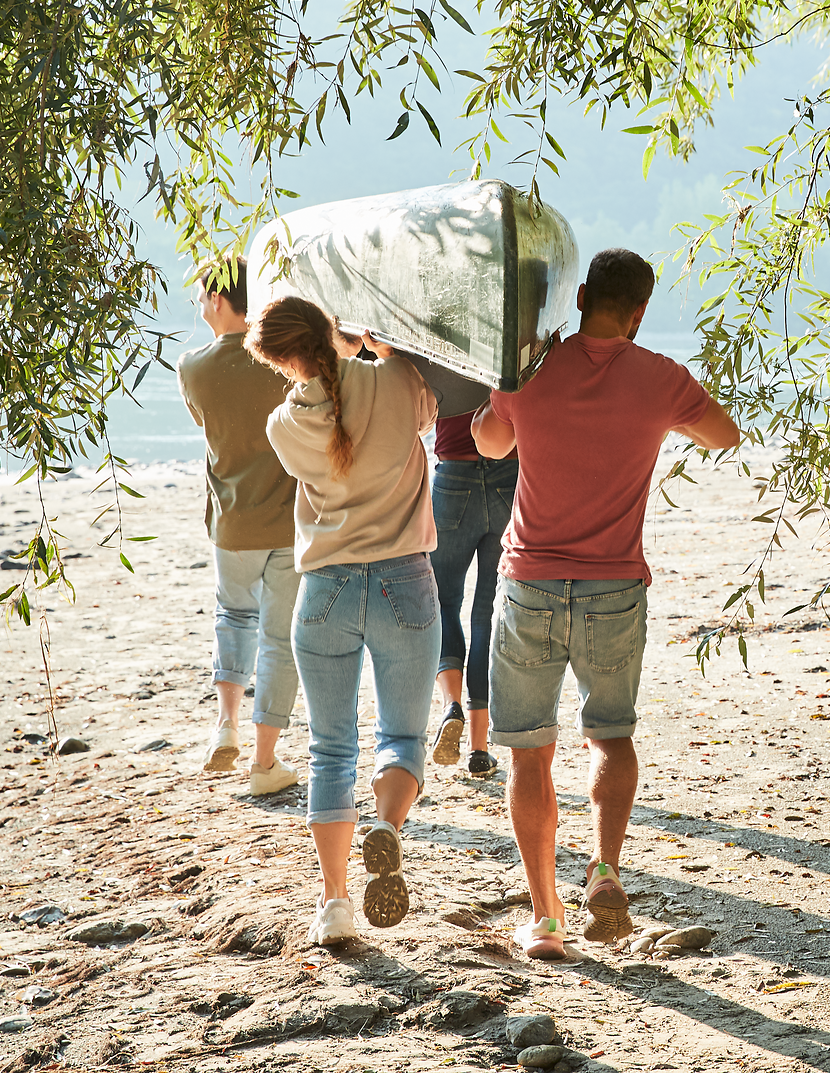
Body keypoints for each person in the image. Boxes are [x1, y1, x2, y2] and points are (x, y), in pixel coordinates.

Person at [471, 249, 740, 960]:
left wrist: (503, 386)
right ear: (640, 311)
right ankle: (607, 868)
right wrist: (667, 415)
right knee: (611, 737)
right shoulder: (661, 377)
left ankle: (546, 918)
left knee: (529, 754)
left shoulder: (531, 370)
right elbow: (725, 434)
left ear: (582, 295)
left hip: (529, 584)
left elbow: (489, 445)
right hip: (614, 590)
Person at [248, 296, 440, 946]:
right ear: (331, 328)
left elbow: (329, 408)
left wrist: (344, 357)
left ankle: (334, 903)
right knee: (402, 737)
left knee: (331, 750)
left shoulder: (282, 425)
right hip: (404, 582)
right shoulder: (398, 380)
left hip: (325, 590)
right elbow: (428, 409)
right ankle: (386, 825)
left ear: (280, 361)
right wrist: (378, 349)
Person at [176, 256, 301, 796]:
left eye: (202, 296)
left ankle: (225, 724)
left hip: (230, 522)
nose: (199, 305)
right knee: (279, 638)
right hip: (289, 523)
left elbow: (210, 427)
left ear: (220, 300)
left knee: (232, 616)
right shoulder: (284, 363)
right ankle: (264, 760)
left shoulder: (192, 368)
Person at [426, 411, 516, 777]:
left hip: (453, 476)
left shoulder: (446, 366)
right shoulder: (512, 367)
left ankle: (452, 705)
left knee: (442, 602)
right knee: (487, 614)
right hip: (509, 475)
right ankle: (479, 749)